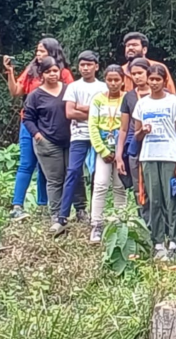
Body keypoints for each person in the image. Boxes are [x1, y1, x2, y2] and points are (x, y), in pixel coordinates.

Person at [4, 38, 73, 219]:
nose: (38, 54)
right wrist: (10, 73)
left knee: (46, 168)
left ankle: (44, 205)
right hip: (30, 124)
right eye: (37, 51)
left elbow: (72, 99)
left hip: (52, 127)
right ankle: (17, 206)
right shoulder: (31, 70)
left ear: (52, 52)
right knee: (26, 164)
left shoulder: (64, 73)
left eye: (42, 51)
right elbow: (15, 91)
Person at [133, 63, 176, 261]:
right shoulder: (142, 104)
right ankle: (158, 242)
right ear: (147, 80)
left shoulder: (173, 102)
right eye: (152, 79)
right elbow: (136, 135)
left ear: (165, 81)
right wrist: (143, 131)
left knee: (171, 200)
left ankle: (174, 242)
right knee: (154, 200)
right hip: (149, 156)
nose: (154, 82)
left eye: (158, 79)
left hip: (169, 156)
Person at [22, 57, 76, 233]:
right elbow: (27, 118)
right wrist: (38, 136)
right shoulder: (35, 95)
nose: (52, 74)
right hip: (48, 142)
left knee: (74, 176)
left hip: (71, 141)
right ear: (42, 74)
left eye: (55, 70)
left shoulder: (69, 90)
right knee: (55, 180)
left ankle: (78, 210)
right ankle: (56, 215)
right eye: (48, 71)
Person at [54, 50, 106, 233]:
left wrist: (81, 108)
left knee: (97, 176)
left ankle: (95, 216)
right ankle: (62, 216)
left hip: (99, 136)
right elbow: (69, 113)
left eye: (89, 64)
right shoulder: (73, 87)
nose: (85, 68)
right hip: (78, 135)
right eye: (82, 65)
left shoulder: (103, 87)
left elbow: (105, 113)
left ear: (96, 66)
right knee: (73, 172)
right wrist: (93, 111)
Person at [88, 65, 128, 243]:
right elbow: (92, 126)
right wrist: (102, 150)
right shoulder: (98, 99)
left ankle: (121, 223)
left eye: (116, 80)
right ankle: (96, 224)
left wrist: (121, 151)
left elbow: (129, 125)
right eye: (109, 80)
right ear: (105, 80)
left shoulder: (127, 98)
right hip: (103, 148)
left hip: (121, 148)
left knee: (120, 186)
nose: (113, 83)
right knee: (100, 184)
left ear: (122, 81)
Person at [116, 58, 152, 224]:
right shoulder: (129, 97)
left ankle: (161, 226)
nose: (137, 77)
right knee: (139, 187)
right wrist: (118, 155)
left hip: (157, 146)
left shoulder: (162, 93)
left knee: (156, 188)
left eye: (140, 73)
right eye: (134, 74)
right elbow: (123, 128)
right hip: (135, 146)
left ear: (148, 73)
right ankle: (144, 224)